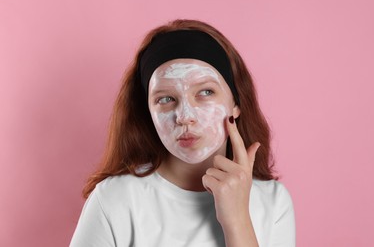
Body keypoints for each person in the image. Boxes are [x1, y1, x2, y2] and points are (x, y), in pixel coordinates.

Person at [70, 19, 295, 247]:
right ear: (148, 112)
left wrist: (237, 220)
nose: (185, 116)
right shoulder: (114, 199)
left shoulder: (272, 201)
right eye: (165, 99)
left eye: (205, 92)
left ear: (236, 103)